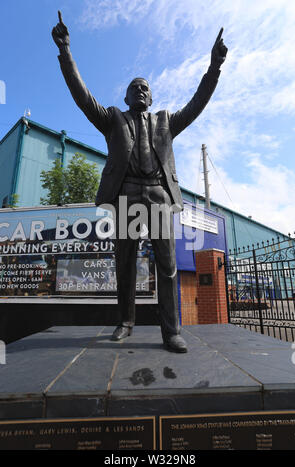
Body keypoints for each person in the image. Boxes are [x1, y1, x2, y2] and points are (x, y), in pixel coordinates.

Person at [52, 11, 228, 353]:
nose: (142, 90)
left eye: (146, 87)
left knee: (167, 264)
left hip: (159, 197)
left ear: (152, 96)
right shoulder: (112, 119)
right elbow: (81, 95)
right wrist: (66, 52)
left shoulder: (166, 121)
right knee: (126, 262)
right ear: (127, 96)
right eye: (135, 87)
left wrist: (214, 67)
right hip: (127, 196)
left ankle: (171, 331)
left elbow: (197, 102)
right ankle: (126, 322)